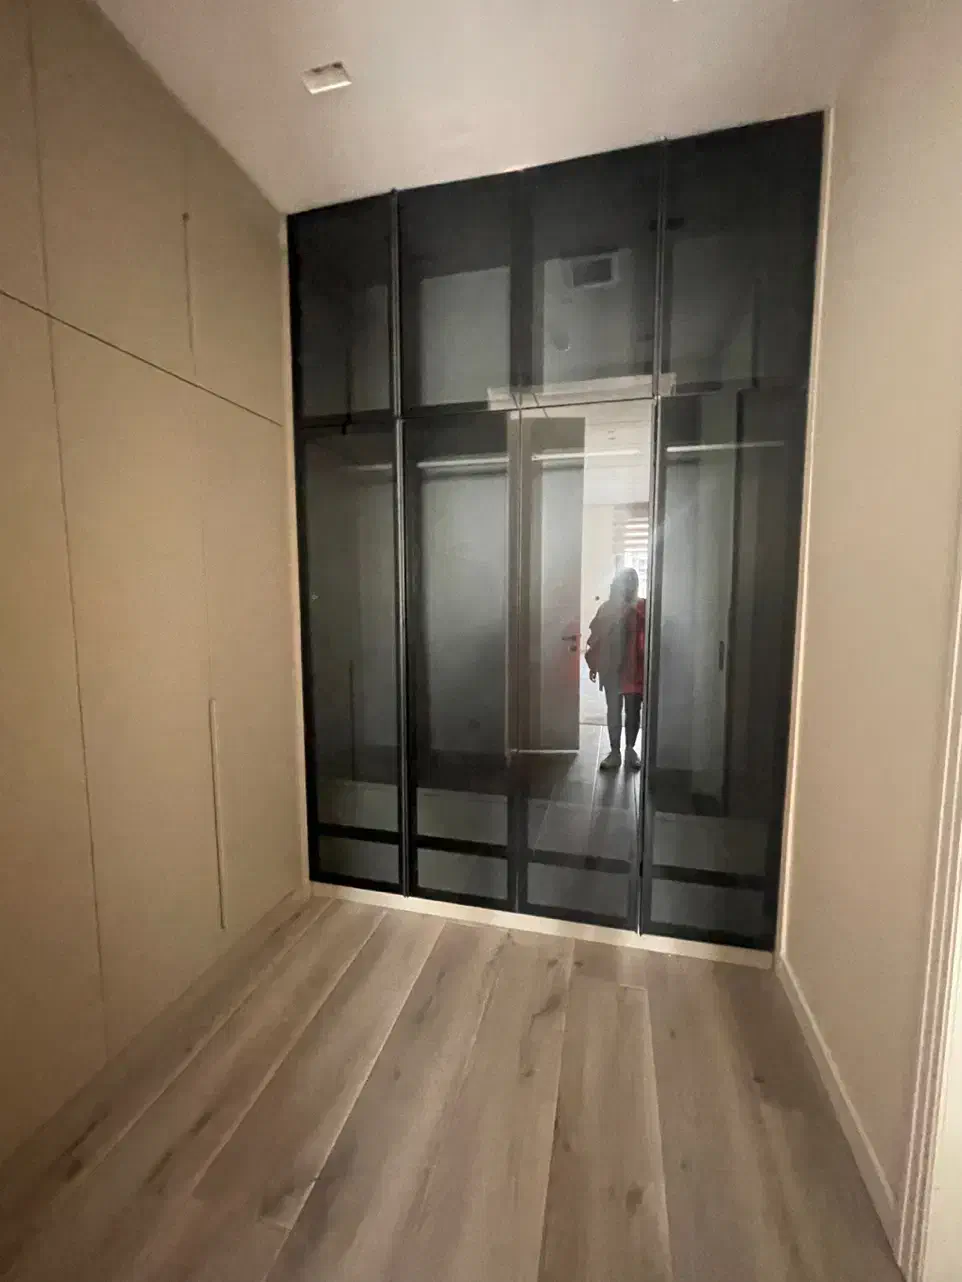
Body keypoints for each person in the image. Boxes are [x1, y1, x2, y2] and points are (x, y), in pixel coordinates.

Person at [585, 567, 646, 772]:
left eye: (631, 582)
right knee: (613, 711)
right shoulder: (606, 608)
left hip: (635, 670)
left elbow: (650, 638)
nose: (627, 586)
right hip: (611, 669)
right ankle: (614, 752)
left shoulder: (643, 607)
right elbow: (597, 638)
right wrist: (594, 665)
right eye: (624, 581)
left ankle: (630, 749)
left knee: (633, 712)